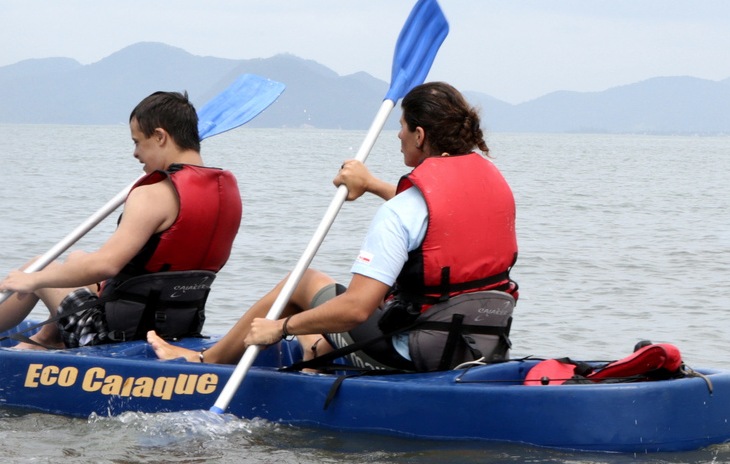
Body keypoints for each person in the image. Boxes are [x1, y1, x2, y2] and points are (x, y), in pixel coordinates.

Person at [150, 81, 517, 373]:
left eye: (402, 127)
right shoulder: (493, 188)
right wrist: (372, 184)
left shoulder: (403, 211)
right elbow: (435, 218)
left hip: (418, 353)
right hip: (480, 343)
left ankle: (206, 362)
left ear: (419, 136)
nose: (398, 135)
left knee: (304, 281)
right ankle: (316, 359)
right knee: (323, 339)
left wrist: (280, 329)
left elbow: (357, 309)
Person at [0, 90, 241, 348]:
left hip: (109, 334)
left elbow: (107, 265)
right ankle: (44, 339)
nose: (135, 154)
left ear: (160, 136)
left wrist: (32, 280)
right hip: (179, 329)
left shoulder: (153, 195)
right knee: (77, 258)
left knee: (37, 267)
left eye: (137, 142)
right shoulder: (227, 192)